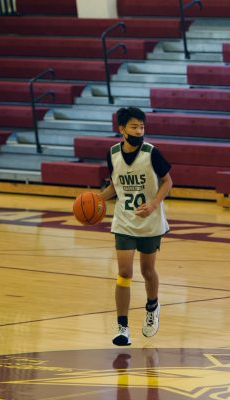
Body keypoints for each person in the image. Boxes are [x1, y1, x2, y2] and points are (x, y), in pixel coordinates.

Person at [99, 107, 173, 346]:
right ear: (121, 129)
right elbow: (115, 187)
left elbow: (168, 182)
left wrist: (153, 204)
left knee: (147, 271)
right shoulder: (112, 154)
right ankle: (123, 327)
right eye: (134, 127)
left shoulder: (152, 153)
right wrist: (97, 199)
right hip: (124, 221)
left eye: (142, 127)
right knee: (124, 272)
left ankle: (152, 306)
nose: (139, 131)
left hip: (149, 221)